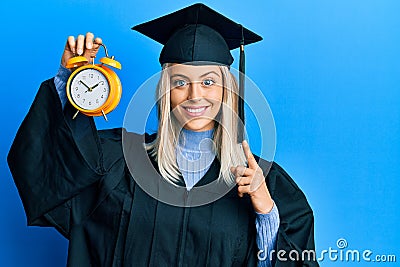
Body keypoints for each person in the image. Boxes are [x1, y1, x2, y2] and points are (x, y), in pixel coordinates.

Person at [7, 3, 318, 267]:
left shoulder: (264, 183)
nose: (195, 95)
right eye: (181, 82)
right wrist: (70, 79)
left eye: (209, 82)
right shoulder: (122, 161)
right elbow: (47, 176)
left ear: (228, 91)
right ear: (166, 92)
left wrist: (265, 211)